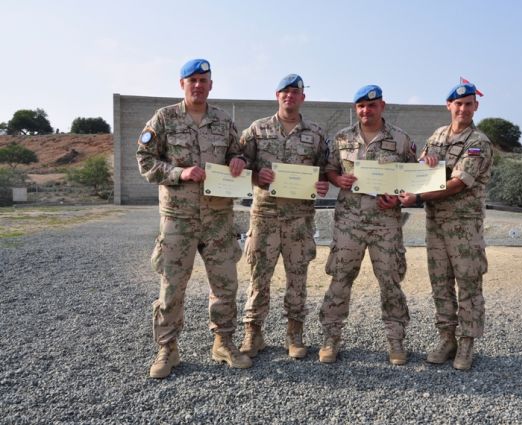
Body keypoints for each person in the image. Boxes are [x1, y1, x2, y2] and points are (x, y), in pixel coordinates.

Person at [137, 58, 252, 379]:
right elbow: (145, 160)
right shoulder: (164, 119)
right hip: (179, 217)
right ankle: (167, 348)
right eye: (193, 80)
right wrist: (179, 172)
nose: (198, 85)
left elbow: (237, 152)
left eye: (204, 80)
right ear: (182, 84)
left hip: (218, 217)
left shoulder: (223, 120)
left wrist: (239, 161)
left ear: (211, 85)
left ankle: (223, 342)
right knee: (172, 285)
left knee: (225, 283)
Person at [399, 80, 493, 370]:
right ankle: (446, 338)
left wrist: (417, 197)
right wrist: (424, 162)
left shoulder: (478, 142)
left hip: (464, 224)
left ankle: (467, 342)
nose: (463, 109)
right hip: (436, 222)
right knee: (440, 282)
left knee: (468, 282)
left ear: (476, 106)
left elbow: (458, 184)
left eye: (468, 104)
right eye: (458, 104)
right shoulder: (437, 135)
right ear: (449, 105)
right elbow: (421, 169)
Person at [318, 85, 416, 365]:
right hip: (349, 222)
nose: (366, 110)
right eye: (361, 106)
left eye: (371, 105)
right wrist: (338, 180)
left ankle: (396, 341)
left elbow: (413, 176)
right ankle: (331, 338)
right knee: (340, 279)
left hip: (386, 223)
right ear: (356, 108)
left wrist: (398, 197)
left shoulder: (400, 139)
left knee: (390, 281)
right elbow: (330, 169)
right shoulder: (342, 138)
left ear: (382, 106)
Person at [239, 74, 329, 360]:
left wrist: (322, 183)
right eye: (284, 91)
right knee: (259, 276)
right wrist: (256, 175)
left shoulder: (316, 134)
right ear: (277, 95)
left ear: (303, 97)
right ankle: (253, 332)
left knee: (297, 278)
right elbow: (237, 164)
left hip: (299, 219)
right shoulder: (257, 130)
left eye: (295, 91)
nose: (289, 95)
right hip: (265, 215)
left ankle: (295, 334)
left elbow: (326, 169)